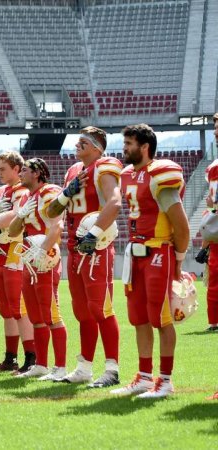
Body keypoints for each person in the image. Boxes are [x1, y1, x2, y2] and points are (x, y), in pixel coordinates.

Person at [111, 124, 189, 399]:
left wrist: (178, 260)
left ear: (145, 147)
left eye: (130, 143)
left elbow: (181, 227)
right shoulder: (126, 175)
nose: (125, 148)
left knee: (161, 318)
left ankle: (165, 381)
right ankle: (144, 377)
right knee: (139, 318)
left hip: (159, 252)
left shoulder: (159, 175)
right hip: (135, 254)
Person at [46, 127, 122, 387]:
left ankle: (112, 369)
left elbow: (115, 201)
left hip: (96, 246)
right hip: (74, 248)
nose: (77, 145)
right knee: (82, 311)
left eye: (83, 142)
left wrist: (95, 233)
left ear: (98, 148)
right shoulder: (71, 172)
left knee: (101, 308)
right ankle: (84, 367)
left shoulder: (105, 166)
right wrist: (67, 192)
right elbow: (51, 210)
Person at [8, 158, 68, 380]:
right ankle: (41, 365)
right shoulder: (26, 197)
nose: (21, 173)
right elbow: (14, 231)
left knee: (52, 314)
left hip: (45, 258)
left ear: (37, 174)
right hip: (29, 259)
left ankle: (60, 367)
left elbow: (57, 225)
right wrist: (21, 214)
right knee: (36, 316)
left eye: (25, 170)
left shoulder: (49, 192)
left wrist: (43, 250)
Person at [0, 151, 35, 373]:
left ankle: (31, 358)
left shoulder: (23, 190)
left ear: (17, 169)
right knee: (6, 309)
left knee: (19, 308)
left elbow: (15, 214)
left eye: (3, 168)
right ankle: (10, 358)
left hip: (15, 249)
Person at [196, 112, 218, 333]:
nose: (216, 133)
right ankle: (214, 321)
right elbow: (212, 208)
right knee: (214, 279)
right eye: (215, 129)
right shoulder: (214, 167)